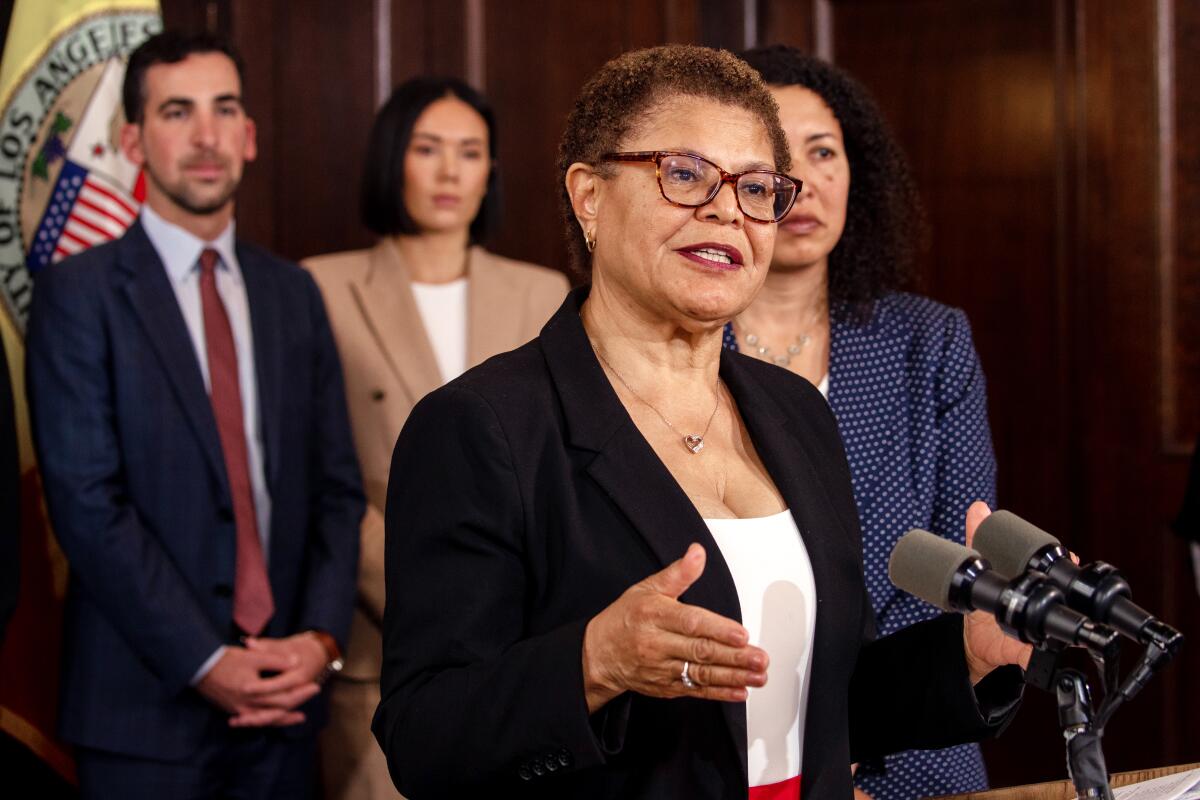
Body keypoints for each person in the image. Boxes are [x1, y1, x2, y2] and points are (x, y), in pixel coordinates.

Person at [373, 44, 1027, 799]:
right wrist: (591, 664)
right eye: (684, 175)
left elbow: (819, 706)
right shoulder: (483, 427)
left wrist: (967, 659)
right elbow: (423, 739)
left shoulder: (796, 414)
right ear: (589, 195)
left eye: (757, 188)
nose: (725, 210)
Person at [26, 31, 363, 798]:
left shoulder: (292, 295)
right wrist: (208, 662)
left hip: (288, 706)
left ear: (249, 136)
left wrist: (318, 639)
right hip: (142, 715)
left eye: (224, 110)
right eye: (178, 112)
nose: (206, 137)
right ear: (133, 141)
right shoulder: (79, 295)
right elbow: (86, 506)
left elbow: (337, 490)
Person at [727, 45, 997, 799]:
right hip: (740, 741)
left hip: (917, 729)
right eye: (780, 158)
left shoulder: (928, 340)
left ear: (857, 173)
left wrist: (863, 731)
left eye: (825, 153)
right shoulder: (684, 349)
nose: (807, 181)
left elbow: (957, 565)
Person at [303, 76, 567, 800]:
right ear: (394, 160)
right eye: (428, 149)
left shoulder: (544, 293)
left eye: (470, 152)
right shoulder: (317, 289)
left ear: (491, 172)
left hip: (527, 653)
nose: (450, 172)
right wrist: (439, 598)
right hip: (381, 647)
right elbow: (317, 477)